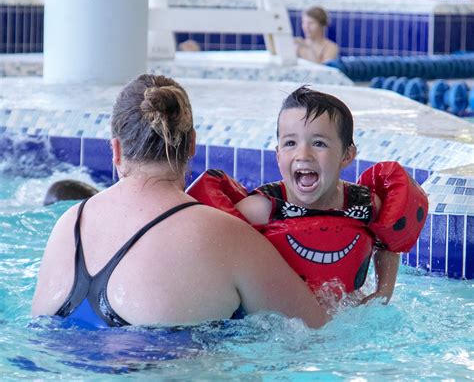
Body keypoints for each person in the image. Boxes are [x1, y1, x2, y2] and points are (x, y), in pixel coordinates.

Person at [31, 75, 331, 329]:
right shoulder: (223, 234)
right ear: (191, 145)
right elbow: (316, 331)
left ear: (116, 150)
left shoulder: (68, 222)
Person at [188, 86, 428, 304]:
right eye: (290, 143)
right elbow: (218, 258)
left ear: (347, 155)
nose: (304, 154)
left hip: (345, 315)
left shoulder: (364, 205)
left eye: (319, 144)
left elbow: (388, 243)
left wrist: (383, 293)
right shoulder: (262, 209)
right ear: (278, 154)